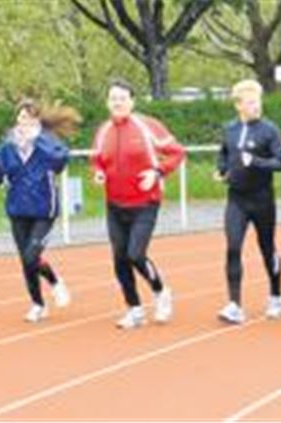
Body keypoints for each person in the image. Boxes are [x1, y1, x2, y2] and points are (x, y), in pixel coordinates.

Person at [91, 79, 186, 329]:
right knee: (119, 259)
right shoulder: (103, 130)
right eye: (113, 98)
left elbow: (177, 153)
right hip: (114, 204)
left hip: (145, 202)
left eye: (122, 98)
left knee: (135, 254)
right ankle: (134, 310)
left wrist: (157, 172)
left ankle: (160, 291)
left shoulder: (148, 126)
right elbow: (97, 159)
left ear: (132, 101)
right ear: (107, 102)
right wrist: (99, 172)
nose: (118, 102)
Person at [0, 99, 74, 323]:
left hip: (44, 210)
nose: (24, 123)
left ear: (38, 122)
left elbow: (60, 160)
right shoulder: (8, 147)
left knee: (32, 255)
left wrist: (38, 140)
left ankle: (54, 281)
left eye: (30, 118)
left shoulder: (47, 143)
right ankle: (38, 304)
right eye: (21, 117)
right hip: (18, 209)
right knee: (26, 260)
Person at [215, 79, 281, 325]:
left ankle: (276, 295)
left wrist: (255, 161)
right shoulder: (229, 129)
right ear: (239, 105)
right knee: (233, 247)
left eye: (258, 101)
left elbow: (280, 162)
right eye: (251, 102)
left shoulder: (270, 130)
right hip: (236, 199)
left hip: (262, 199)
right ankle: (235, 304)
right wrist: (221, 170)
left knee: (267, 248)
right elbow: (224, 153)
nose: (256, 106)